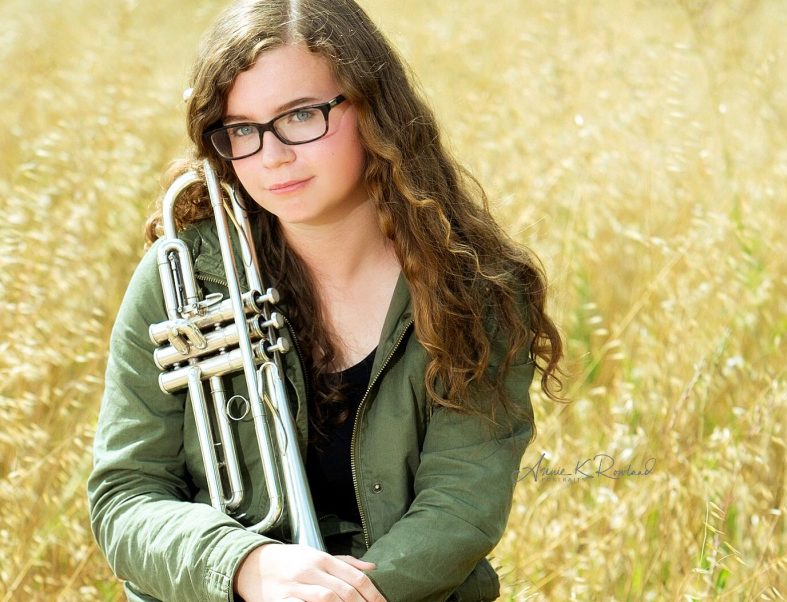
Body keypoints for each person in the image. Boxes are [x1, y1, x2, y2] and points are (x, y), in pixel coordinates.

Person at [88, 1, 563, 601]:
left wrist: (344, 598)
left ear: (372, 108)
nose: (272, 154)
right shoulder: (178, 279)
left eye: (302, 115)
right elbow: (126, 496)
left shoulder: (477, 289)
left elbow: (461, 505)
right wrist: (244, 566)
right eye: (242, 129)